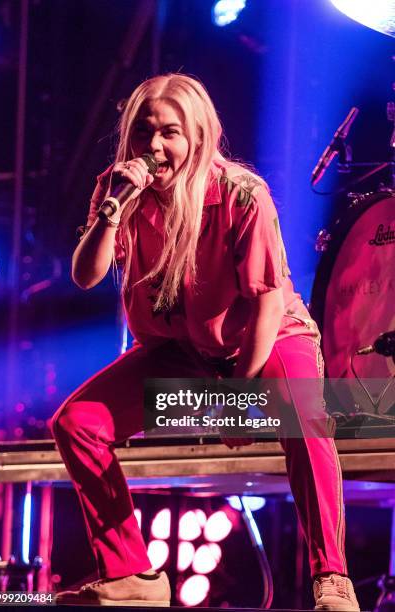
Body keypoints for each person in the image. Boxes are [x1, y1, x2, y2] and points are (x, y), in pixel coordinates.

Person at [51, 73, 360, 610]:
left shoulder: (242, 194)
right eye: (144, 132)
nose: (154, 147)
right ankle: (130, 574)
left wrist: (239, 403)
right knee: (77, 425)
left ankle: (331, 579)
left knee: (307, 416)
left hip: (264, 341)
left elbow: (266, 300)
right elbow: (86, 274)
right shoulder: (117, 188)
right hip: (183, 349)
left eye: (169, 132)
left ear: (197, 137)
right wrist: (110, 211)